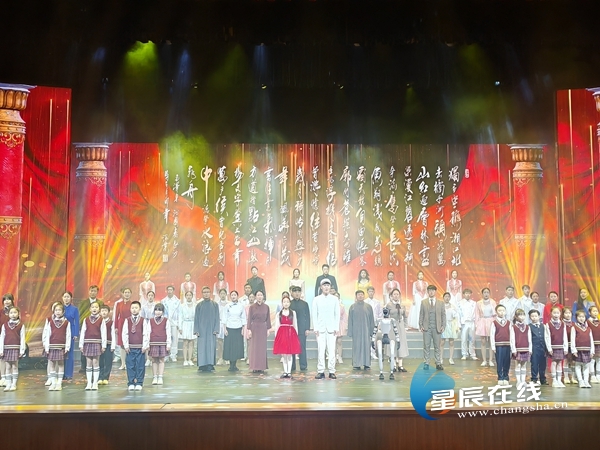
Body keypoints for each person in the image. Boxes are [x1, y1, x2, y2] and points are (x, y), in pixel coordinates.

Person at [312, 278, 340, 379]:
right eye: (324, 285)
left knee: (332, 351)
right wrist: (315, 328)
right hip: (320, 329)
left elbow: (337, 314)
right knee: (321, 350)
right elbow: (314, 314)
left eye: (328, 285)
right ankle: (321, 371)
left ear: (330, 287)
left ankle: (332, 371)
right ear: (321, 287)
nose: (326, 287)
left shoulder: (335, 299)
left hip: (332, 329)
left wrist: (336, 327)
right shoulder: (316, 299)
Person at [42, 302, 71, 391]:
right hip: (52, 346)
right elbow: (47, 334)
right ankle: (53, 382)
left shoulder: (66, 322)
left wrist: (67, 347)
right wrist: (46, 347)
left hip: (61, 346)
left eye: (59, 310)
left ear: (63, 312)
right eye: (56, 310)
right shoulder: (50, 322)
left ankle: (59, 383)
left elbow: (68, 335)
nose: (58, 312)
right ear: (53, 311)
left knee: (61, 364)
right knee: (52, 364)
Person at [79, 301, 107, 390]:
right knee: (89, 362)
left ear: (99, 309)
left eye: (96, 307)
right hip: (87, 343)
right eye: (93, 307)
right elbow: (83, 332)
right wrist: (81, 344)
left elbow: (104, 333)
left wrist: (103, 345)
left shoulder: (101, 320)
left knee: (95, 362)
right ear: (90, 309)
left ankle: (95, 383)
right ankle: (89, 383)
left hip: (97, 343)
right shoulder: (86, 320)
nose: (94, 309)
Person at [122, 301, 150, 390]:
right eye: (132, 308)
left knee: (140, 365)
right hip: (130, 347)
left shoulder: (143, 320)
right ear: (130, 309)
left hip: (140, 347)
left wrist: (144, 346)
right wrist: (126, 345)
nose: (134, 310)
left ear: (139, 309)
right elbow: (125, 333)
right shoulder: (127, 320)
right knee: (130, 365)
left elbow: (146, 333)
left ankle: (139, 382)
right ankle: (131, 382)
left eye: (136, 308)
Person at [273, 296, 301, 378]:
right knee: (284, 354)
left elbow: (295, 324)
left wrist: (296, 335)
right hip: (282, 334)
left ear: (290, 303)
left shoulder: (293, 313)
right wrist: (276, 336)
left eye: (287, 302)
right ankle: (285, 371)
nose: (286, 303)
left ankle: (289, 372)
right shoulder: (279, 314)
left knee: (289, 354)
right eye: (284, 302)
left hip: (290, 334)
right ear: (282, 303)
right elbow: (277, 326)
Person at [419, 285, 446, 371]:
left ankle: (438, 363)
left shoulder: (441, 303)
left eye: (433, 290)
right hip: (426, 327)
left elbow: (443, 315)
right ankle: (426, 363)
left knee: (437, 346)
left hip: (437, 327)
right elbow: (421, 314)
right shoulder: (423, 302)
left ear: (435, 292)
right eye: (429, 290)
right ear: (427, 292)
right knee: (426, 346)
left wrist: (443, 325)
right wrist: (420, 325)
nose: (431, 292)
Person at [194, 286, 220, 372]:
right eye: (204, 292)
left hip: (211, 329)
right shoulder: (199, 305)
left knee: (211, 346)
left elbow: (217, 317)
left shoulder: (215, 305)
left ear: (210, 293)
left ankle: (210, 364)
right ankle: (202, 365)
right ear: (202, 294)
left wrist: (216, 329)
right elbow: (196, 318)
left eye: (207, 292)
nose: (206, 294)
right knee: (202, 347)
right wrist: (196, 330)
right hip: (201, 330)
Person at [347, 290, 375, 370]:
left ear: (364, 296)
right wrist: (350, 331)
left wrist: (372, 331)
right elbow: (350, 320)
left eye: (362, 294)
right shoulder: (352, 307)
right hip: (356, 331)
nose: (360, 296)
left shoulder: (368, 307)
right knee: (356, 347)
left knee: (366, 346)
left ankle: (367, 364)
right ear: (356, 296)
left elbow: (371, 320)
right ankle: (356, 364)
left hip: (366, 330)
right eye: (358, 294)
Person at [77, 285, 102, 374]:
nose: (93, 292)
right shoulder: (83, 303)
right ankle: (83, 367)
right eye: (91, 291)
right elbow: (80, 314)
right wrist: (80, 326)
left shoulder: (100, 303)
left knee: (97, 351)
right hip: (85, 327)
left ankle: (96, 367)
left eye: (94, 291)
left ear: (97, 292)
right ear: (88, 291)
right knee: (84, 348)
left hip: (97, 329)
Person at [0, 306, 26, 391]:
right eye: (11, 313)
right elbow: (2, 337)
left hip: (16, 348)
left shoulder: (21, 325)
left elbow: (22, 338)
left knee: (14, 366)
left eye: (15, 312)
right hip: (7, 349)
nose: (13, 314)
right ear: (8, 314)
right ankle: (8, 384)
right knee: (8, 367)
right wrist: (1, 350)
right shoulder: (5, 325)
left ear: (18, 314)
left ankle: (14, 384)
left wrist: (22, 350)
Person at [373, 307, 401, 380]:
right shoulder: (379, 320)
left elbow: (396, 331)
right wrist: (372, 341)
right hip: (382, 338)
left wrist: (398, 340)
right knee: (380, 354)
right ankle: (381, 372)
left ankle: (391, 372)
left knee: (392, 354)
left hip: (388, 338)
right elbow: (375, 330)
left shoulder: (392, 320)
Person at [385, 288, 409, 372]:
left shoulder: (402, 305)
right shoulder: (389, 305)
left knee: (401, 344)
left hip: (400, 326)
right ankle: (394, 365)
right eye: (394, 294)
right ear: (391, 296)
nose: (396, 296)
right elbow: (386, 316)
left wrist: (405, 326)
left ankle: (400, 365)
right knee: (393, 343)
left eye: (397, 294)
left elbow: (405, 316)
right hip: (392, 326)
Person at [222, 290, 246, 372]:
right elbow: (224, 317)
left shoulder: (241, 306)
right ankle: (231, 365)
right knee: (230, 347)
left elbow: (243, 318)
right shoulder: (227, 306)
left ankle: (234, 365)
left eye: (235, 295)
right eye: (232, 295)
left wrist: (243, 329)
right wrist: (225, 329)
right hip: (229, 328)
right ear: (230, 296)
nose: (233, 296)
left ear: (237, 296)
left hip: (238, 328)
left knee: (236, 347)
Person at [247, 290, 271, 373]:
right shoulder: (252, 307)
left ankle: (261, 366)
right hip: (254, 328)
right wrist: (249, 329)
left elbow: (268, 319)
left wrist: (268, 329)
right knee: (254, 348)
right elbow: (249, 319)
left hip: (263, 328)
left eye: (261, 295)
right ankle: (254, 366)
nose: (259, 297)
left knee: (262, 348)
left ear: (263, 296)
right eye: (258, 295)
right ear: (255, 297)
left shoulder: (266, 307)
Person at [544, 305, 568, 387]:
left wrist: (565, 347)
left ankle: (559, 380)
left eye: (557, 313)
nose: (556, 314)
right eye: (554, 313)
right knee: (554, 363)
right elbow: (547, 337)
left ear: (560, 314)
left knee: (559, 363)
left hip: (561, 346)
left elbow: (565, 336)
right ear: (551, 313)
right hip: (553, 347)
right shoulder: (548, 324)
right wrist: (549, 348)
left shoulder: (563, 324)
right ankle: (554, 380)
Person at [571, 309, 594, 388]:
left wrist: (592, 350)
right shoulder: (574, 327)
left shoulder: (588, 329)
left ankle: (586, 381)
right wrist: (574, 350)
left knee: (586, 366)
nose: (581, 318)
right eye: (579, 317)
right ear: (576, 317)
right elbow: (572, 339)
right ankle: (580, 381)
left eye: (583, 317)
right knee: (578, 365)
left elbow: (591, 340)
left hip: (587, 349)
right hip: (578, 350)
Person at [148, 303, 171, 386]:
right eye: (156, 310)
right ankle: (155, 377)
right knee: (154, 360)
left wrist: (168, 344)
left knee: (161, 360)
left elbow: (168, 332)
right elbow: (148, 332)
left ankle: (160, 377)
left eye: (160, 310)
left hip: (162, 342)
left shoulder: (166, 320)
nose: (158, 312)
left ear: (163, 311)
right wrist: (147, 344)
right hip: (153, 342)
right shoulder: (151, 321)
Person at [289, 285, 310, 371]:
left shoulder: (305, 304)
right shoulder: (289, 303)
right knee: (292, 348)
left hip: (302, 328)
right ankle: (292, 366)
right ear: (292, 293)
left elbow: (307, 317)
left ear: (301, 293)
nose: (297, 293)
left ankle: (303, 365)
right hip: (292, 329)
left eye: (298, 292)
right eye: (295, 292)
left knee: (302, 347)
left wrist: (307, 328)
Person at [510, 308, 532, 389]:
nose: (522, 317)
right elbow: (512, 339)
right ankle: (518, 381)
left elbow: (529, 339)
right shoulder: (514, 327)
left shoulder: (527, 327)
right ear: (516, 317)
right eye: (520, 315)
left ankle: (523, 381)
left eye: (523, 315)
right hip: (518, 348)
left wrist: (530, 349)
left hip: (525, 347)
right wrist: (513, 349)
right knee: (518, 365)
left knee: (524, 365)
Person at [490, 304, 511, 386]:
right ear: (496, 312)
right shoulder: (494, 323)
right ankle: (500, 377)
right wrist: (493, 346)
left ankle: (506, 376)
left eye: (503, 310)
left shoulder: (508, 322)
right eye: (499, 310)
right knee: (499, 361)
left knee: (507, 361)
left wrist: (512, 345)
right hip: (498, 345)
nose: (502, 312)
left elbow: (511, 334)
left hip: (507, 344)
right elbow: (492, 334)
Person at [475, 287, 497, 367]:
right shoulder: (478, 303)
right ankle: (484, 360)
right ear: (482, 294)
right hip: (482, 321)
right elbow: (477, 314)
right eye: (484, 292)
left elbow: (495, 313)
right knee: (483, 341)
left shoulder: (493, 302)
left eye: (487, 292)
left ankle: (490, 360)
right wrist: (477, 324)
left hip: (491, 321)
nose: (486, 294)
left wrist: (496, 323)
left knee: (491, 341)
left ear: (489, 293)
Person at [112, 287, 132, 370]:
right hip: (121, 324)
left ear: (131, 294)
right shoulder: (118, 304)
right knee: (122, 344)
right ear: (122, 294)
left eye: (128, 292)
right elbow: (116, 316)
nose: (127, 294)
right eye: (125, 292)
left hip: (130, 323)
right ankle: (123, 363)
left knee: (129, 343)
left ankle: (129, 363)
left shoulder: (132, 303)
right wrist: (116, 327)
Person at [61, 291, 79, 381]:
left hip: (71, 331)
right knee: (61, 353)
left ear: (71, 298)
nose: (66, 298)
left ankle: (68, 374)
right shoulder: (59, 308)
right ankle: (60, 373)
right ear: (62, 298)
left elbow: (77, 321)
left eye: (68, 297)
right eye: (65, 297)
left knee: (69, 353)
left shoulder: (74, 309)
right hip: (60, 331)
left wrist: (75, 333)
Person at [161, 285, 181, 363]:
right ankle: (166, 355)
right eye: (168, 290)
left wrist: (179, 324)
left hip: (174, 322)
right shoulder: (163, 301)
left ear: (173, 291)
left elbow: (179, 313)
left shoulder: (177, 301)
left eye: (171, 290)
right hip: (166, 321)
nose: (169, 291)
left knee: (174, 339)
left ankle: (173, 355)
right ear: (166, 291)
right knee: (166, 338)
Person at [441, 292, 460, 365]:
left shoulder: (453, 307)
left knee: (451, 342)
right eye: (445, 296)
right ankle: (440, 358)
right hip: (443, 324)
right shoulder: (440, 306)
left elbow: (456, 317)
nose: (447, 298)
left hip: (451, 325)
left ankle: (451, 358)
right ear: (443, 297)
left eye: (448, 296)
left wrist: (456, 326)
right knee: (442, 342)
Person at [458, 288, 478, 360]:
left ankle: (472, 354)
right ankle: (464, 354)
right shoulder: (460, 303)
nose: (468, 295)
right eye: (466, 293)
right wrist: (459, 324)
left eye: (469, 293)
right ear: (463, 294)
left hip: (472, 322)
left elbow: (476, 314)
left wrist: (476, 324)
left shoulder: (474, 303)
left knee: (472, 339)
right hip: (464, 323)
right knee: (464, 339)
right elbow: (458, 314)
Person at [98, 304, 116, 385]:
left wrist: (113, 345)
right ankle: (100, 377)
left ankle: (106, 377)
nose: (104, 312)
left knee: (108, 361)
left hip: (109, 344)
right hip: (100, 344)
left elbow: (113, 334)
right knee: (100, 361)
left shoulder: (111, 322)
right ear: (100, 312)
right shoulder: (98, 322)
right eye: (102, 311)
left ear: (108, 312)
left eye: (105, 311)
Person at [528, 309, 547, 386]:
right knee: (534, 363)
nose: (534, 318)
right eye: (532, 316)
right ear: (530, 317)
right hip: (534, 347)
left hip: (543, 347)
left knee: (543, 364)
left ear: (539, 316)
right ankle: (534, 378)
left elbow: (546, 337)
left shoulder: (543, 326)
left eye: (536, 316)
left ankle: (543, 379)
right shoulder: (529, 327)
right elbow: (529, 338)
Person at [141, 291, 159, 367]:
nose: (150, 297)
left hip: (154, 323)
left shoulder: (156, 306)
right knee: (146, 340)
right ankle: (148, 359)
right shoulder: (143, 306)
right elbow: (142, 317)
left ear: (154, 297)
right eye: (149, 295)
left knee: (153, 341)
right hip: (146, 323)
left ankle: (153, 359)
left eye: (152, 295)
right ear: (147, 296)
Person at [179, 291, 197, 366]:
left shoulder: (195, 305)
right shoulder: (182, 306)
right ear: (185, 296)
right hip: (185, 324)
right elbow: (180, 317)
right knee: (185, 342)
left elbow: (197, 317)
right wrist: (180, 327)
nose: (189, 296)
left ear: (192, 296)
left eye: (190, 295)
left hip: (192, 324)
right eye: (187, 295)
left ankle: (190, 359)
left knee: (191, 343)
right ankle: (185, 360)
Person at [216, 288, 229, 365]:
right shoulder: (216, 304)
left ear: (226, 294)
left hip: (227, 324)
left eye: (224, 293)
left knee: (227, 342)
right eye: (221, 294)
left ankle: (227, 357)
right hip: (219, 323)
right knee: (219, 342)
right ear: (219, 295)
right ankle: (220, 358)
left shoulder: (229, 304)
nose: (223, 295)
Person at [562, 307, 575, 384]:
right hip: (565, 345)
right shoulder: (561, 323)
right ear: (563, 314)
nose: (568, 315)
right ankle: (566, 377)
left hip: (573, 345)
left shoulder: (574, 324)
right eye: (566, 313)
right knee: (566, 361)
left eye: (569, 313)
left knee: (573, 361)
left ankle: (573, 377)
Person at [587, 305, 600, 383]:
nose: (595, 313)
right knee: (592, 360)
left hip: (599, 343)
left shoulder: (599, 321)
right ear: (589, 312)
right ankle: (592, 376)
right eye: (593, 311)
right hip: (591, 344)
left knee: (599, 360)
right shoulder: (587, 322)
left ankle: (598, 375)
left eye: (596, 311)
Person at [335, 292, 347, 364]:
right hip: (332, 325)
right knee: (333, 342)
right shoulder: (330, 305)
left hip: (339, 325)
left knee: (339, 341)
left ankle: (339, 356)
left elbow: (344, 317)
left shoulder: (341, 306)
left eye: (337, 296)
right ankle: (333, 357)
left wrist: (343, 326)